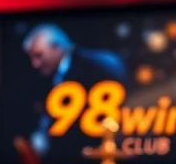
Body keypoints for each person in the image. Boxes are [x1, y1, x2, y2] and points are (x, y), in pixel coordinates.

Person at [22, 24, 128, 155]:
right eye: (32, 58)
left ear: (56, 47)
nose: (35, 64)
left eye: (39, 56)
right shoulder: (56, 74)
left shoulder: (93, 68)